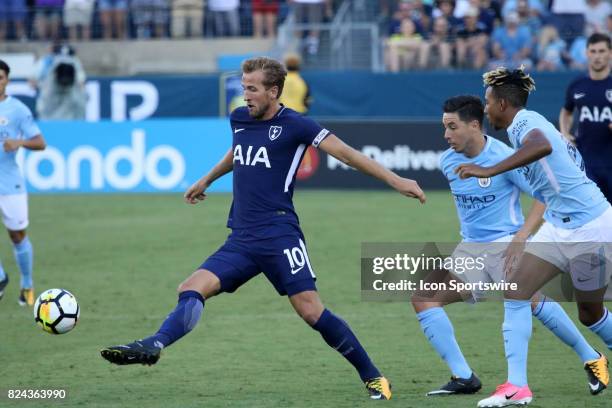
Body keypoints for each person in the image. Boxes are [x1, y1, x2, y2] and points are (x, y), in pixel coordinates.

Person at [100, 56, 426, 400]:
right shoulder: (240, 118)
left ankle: (374, 376)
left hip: (279, 236)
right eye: (243, 88)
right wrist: (206, 179)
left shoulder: (298, 125)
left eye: (252, 89)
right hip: (241, 238)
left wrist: (395, 179)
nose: (245, 96)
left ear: (273, 91)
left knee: (311, 310)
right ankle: (154, 343)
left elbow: (346, 154)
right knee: (191, 288)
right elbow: (238, 152)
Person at [453, 66, 612, 407]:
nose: (485, 108)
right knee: (516, 289)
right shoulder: (520, 126)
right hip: (559, 224)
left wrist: (490, 169)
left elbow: (539, 145)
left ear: (503, 104)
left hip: (590, 226)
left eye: (488, 101)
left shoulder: (525, 122)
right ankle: (517, 386)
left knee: (591, 313)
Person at [0, 60, 47, 306]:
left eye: (0, 77)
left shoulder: (17, 109)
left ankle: (27, 285)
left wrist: (19, 143)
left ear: (7, 80)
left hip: (9, 182)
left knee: (17, 235)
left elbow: (40, 142)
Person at [559, 33, 612, 204]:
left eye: (602, 51)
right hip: (586, 160)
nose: (597, 56)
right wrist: (565, 132)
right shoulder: (577, 85)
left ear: (610, 53)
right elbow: (566, 111)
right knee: (590, 213)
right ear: (587, 53)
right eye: (593, 51)